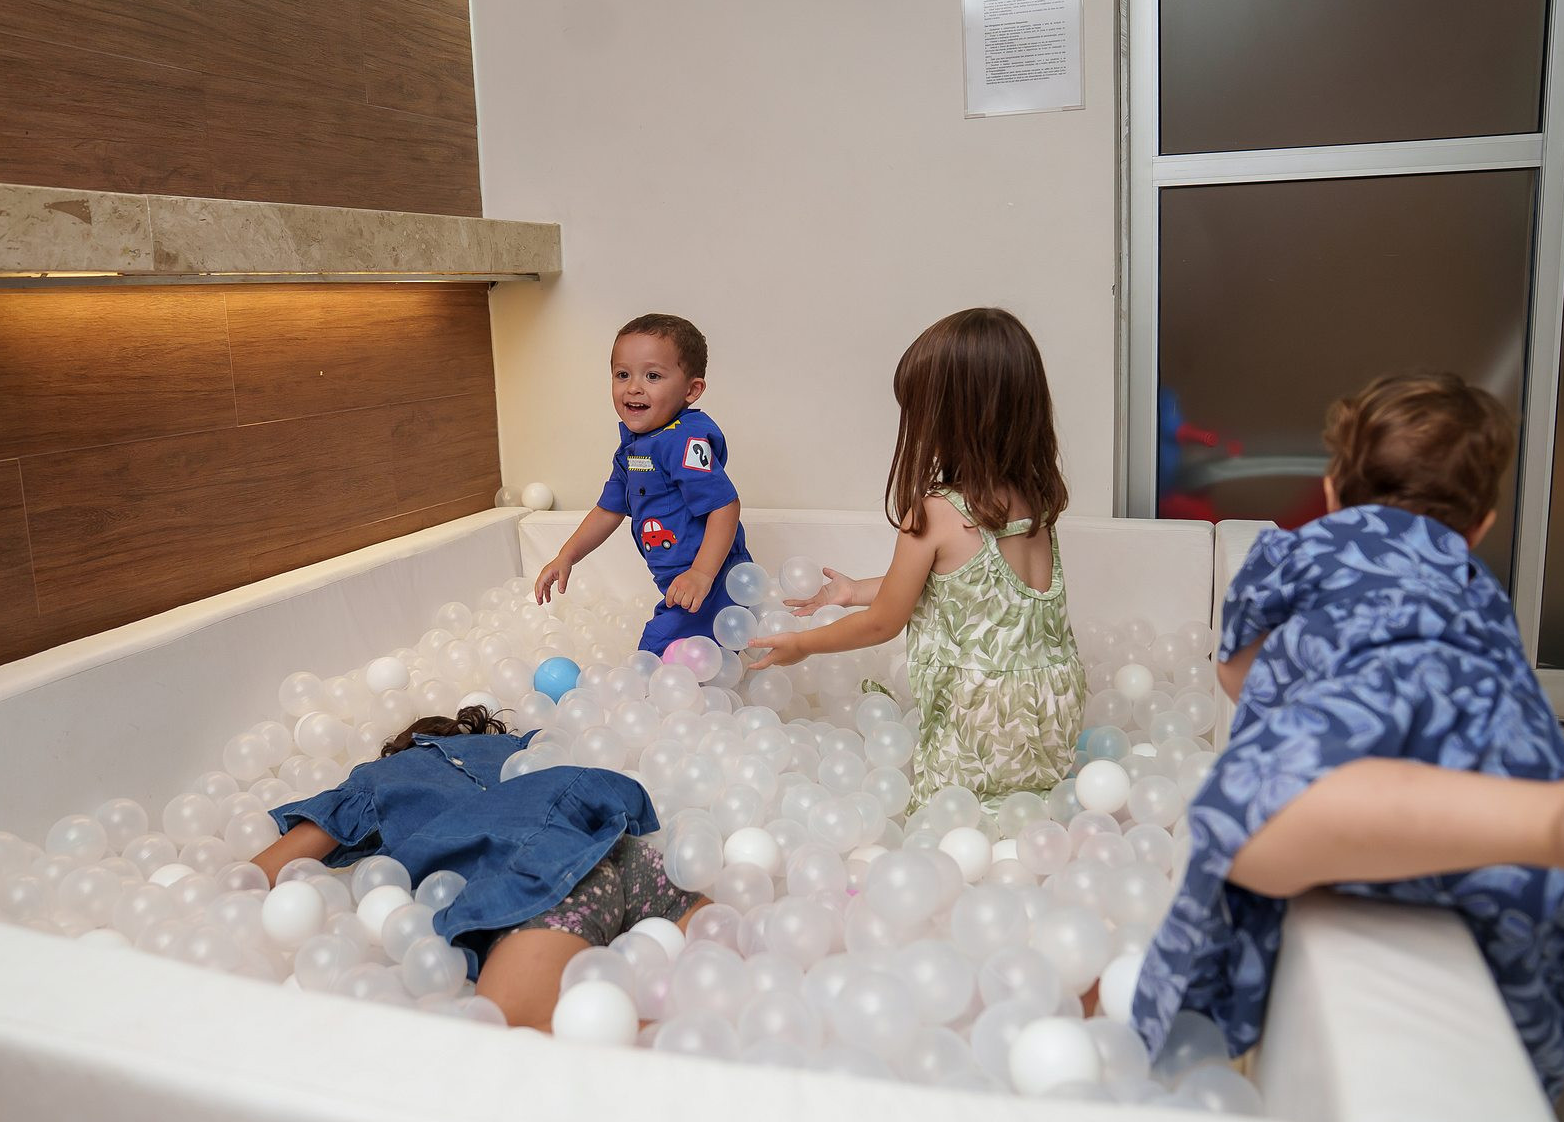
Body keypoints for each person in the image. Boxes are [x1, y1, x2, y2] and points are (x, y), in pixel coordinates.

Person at [1132, 373, 1564, 1096]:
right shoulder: (1479, 590)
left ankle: (1555, 820)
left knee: (1244, 815)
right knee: (1531, 966)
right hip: (1510, 747)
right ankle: (1544, 813)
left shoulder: (1299, 551)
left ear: (1333, 491)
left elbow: (1236, 674)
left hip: (1370, 722)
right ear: (1481, 527)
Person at [749, 307, 1086, 809]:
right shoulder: (1034, 499)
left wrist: (803, 644)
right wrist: (855, 591)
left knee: (945, 817)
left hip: (981, 718)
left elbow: (884, 623)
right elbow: (971, 588)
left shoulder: (935, 511)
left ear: (951, 418)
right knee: (1026, 808)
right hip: (1052, 708)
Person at [251, 707, 705, 1032]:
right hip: (616, 850)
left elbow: (267, 870)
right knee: (717, 982)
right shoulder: (513, 746)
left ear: (400, 749)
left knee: (517, 1030)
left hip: (540, 886)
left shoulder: (378, 779)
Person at [534, 313, 752, 655]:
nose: (633, 387)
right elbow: (608, 510)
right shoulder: (633, 448)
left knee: (654, 655)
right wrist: (567, 556)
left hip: (713, 578)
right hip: (682, 582)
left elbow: (725, 505)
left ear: (691, 390)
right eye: (623, 374)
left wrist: (701, 574)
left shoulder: (683, 441)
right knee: (702, 661)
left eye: (652, 376)